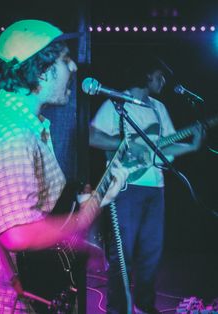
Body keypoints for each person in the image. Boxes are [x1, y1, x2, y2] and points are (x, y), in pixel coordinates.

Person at [0, 19, 129, 313]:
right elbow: (18, 234)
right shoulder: (12, 136)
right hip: (10, 303)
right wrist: (82, 221)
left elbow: (36, 208)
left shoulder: (23, 123)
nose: (74, 68)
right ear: (41, 72)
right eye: (65, 60)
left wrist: (92, 200)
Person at [89, 55, 204, 314]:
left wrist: (192, 145)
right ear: (146, 76)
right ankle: (118, 308)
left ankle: (145, 305)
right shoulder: (117, 103)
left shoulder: (158, 108)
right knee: (123, 253)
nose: (163, 81)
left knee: (152, 252)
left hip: (156, 188)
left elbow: (163, 145)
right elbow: (93, 135)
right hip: (127, 187)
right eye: (159, 76)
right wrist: (126, 144)